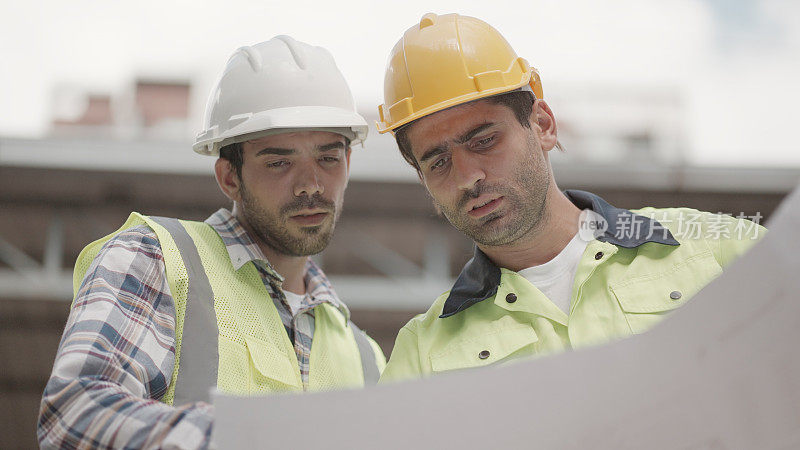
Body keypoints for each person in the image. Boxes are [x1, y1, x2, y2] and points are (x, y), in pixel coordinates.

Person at [38, 35, 385, 449]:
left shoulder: (367, 359)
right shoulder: (155, 259)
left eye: (328, 158)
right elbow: (75, 414)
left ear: (347, 162)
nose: (311, 185)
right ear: (229, 177)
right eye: (279, 162)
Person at [375, 13, 765, 381]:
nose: (466, 177)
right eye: (438, 162)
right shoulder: (421, 358)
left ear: (543, 125)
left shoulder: (713, 247)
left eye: (484, 141)